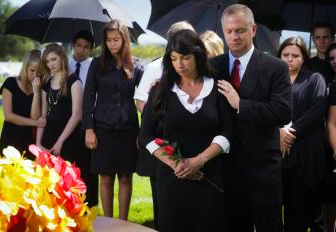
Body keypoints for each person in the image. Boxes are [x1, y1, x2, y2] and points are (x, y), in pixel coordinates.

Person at [140, 29, 232, 232]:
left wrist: (198, 161)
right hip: (172, 179)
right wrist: (178, 165)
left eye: (185, 58)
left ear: (198, 56)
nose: (179, 64)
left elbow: (226, 132)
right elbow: (146, 135)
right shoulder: (160, 90)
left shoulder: (217, 87)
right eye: (173, 59)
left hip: (209, 177)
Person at [212, 4, 292, 231]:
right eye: (229, 31)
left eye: (240, 30)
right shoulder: (212, 66)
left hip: (263, 171)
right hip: (226, 169)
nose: (234, 36)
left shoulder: (275, 67)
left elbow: (283, 111)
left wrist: (241, 105)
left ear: (253, 29)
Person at [134, 21, 195, 229]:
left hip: (192, 143)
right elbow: (141, 101)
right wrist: (161, 117)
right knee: (163, 195)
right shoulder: (154, 67)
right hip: (164, 141)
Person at [82, 19, 144, 220]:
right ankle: (108, 222)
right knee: (106, 178)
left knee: (126, 177)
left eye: (116, 39)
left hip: (128, 130)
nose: (112, 44)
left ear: (124, 40)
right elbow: (88, 97)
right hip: (102, 129)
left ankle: (123, 223)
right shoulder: (96, 65)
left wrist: (142, 133)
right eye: (108, 40)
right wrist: (89, 129)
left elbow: (145, 100)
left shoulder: (136, 66)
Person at [278, 37, 327, 231]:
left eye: (295, 55)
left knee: (299, 210)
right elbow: (265, 110)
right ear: (279, 56)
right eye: (285, 55)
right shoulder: (273, 80)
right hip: (277, 154)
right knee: (275, 207)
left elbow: (316, 112)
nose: (290, 59)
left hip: (305, 154)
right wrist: (278, 132)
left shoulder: (315, 79)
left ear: (303, 58)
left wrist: (289, 133)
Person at [36, 43, 83, 164]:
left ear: (62, 57)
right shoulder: (46, 83)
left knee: (67, 177)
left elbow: (77, 115)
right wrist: (38, 143)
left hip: (68, 136)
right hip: (49, 134)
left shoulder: (74, 81)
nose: (50, 64)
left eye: (53, 59)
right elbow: (43, 116)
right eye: (47, 61)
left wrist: (60, 141)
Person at [69, 30, 98, 207]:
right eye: (79, 45)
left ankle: (90, 207)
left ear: (91, 49)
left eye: (86, 47)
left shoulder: (94, 66)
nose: (82, 50)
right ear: (73, 45)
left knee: (89, 169)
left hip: (88, 123)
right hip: (66, 123)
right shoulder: (63, 64)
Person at [0, 49, 45, 158]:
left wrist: (37, 92)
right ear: (25, 68)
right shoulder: (11, 83)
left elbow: (35, 116)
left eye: (39, 73)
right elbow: (8, 116)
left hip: (29, 140)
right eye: (32, 70)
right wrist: (35, 123)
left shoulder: (40, 88)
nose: (35, 75)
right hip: (10, 138)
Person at [324, 42, 336, 232]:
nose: (335, 61)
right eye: (332, 58)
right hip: (332, 152)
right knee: (329, 197)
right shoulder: (333, 87)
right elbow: (332, 124)